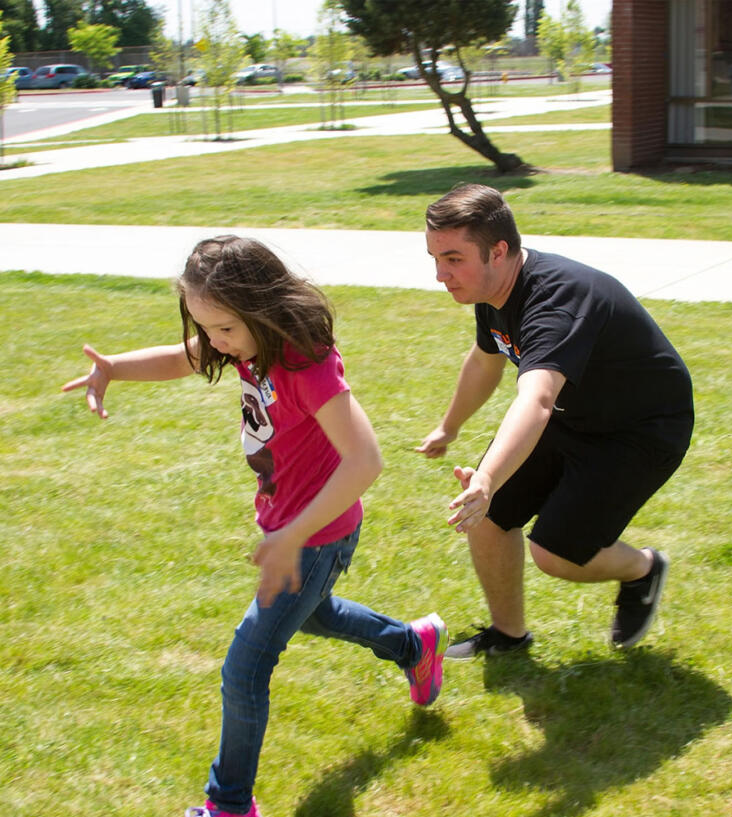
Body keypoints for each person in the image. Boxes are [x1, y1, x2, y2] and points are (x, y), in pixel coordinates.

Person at [61, 236, 447, 817]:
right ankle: (412, 643)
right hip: (290, 532)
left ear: (261, 309)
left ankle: (229, 805)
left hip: (315, 537)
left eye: (222, 330)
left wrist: (292, 536)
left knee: (245, 666)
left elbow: (365, 461)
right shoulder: (244, 344)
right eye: (204, 326)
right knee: (314, 614)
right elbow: (182, 356)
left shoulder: (304, 364)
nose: (212, 343)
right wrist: (113, 368)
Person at [416, 184, 694, 658]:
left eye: (453, 259)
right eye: (434, 258)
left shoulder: (555, 301)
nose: (441, 274)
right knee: (486, 518)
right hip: (577, 413)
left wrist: (486, 477)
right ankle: (509, 635)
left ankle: (643, 569)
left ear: (498, 251)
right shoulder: (494, 288)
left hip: (639, 429)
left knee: (556, 553)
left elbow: (538, 399)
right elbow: (487, 359)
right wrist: (450, 427)